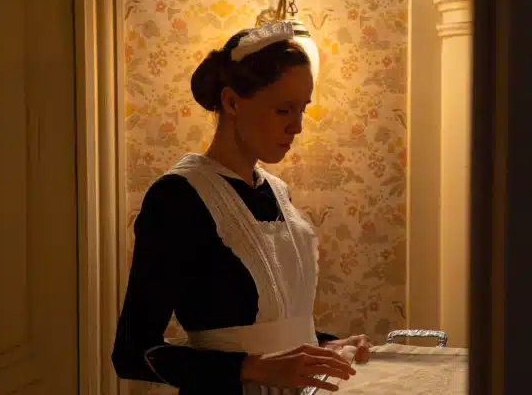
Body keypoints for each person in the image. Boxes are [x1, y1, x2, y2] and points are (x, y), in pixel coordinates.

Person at [112, 21, 372, 395]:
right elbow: (132, 354)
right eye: (284, 110)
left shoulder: (278, 194)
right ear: (232, 102)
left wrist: (323, 346)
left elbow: (272, 328)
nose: (297, 127)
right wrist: (253, 368)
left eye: (302, 109)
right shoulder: (178, 197)